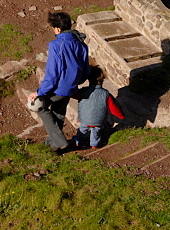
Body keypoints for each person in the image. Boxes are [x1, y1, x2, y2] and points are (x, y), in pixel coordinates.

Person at [29, 11, 89, 154]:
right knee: (58, 114)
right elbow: (85, 69)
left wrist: (39, 92)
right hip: (71, 87)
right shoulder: (81, 45)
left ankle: (60, 141)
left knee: (39, 107)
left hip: (57, 88)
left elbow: (52, 74)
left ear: (57, 29)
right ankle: (53, 146)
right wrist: (75, 82)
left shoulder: (56, 46)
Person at [75, 65, 124, 149]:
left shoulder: (83, 91)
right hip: (99, 120)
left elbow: (74, 94)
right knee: (96, 131)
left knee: (82, 130)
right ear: (102, 80)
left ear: (89, 79)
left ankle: (79, 143)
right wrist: (121, 116)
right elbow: (113, 109)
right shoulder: (106, 94)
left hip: (84, 119)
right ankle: (94, 144)